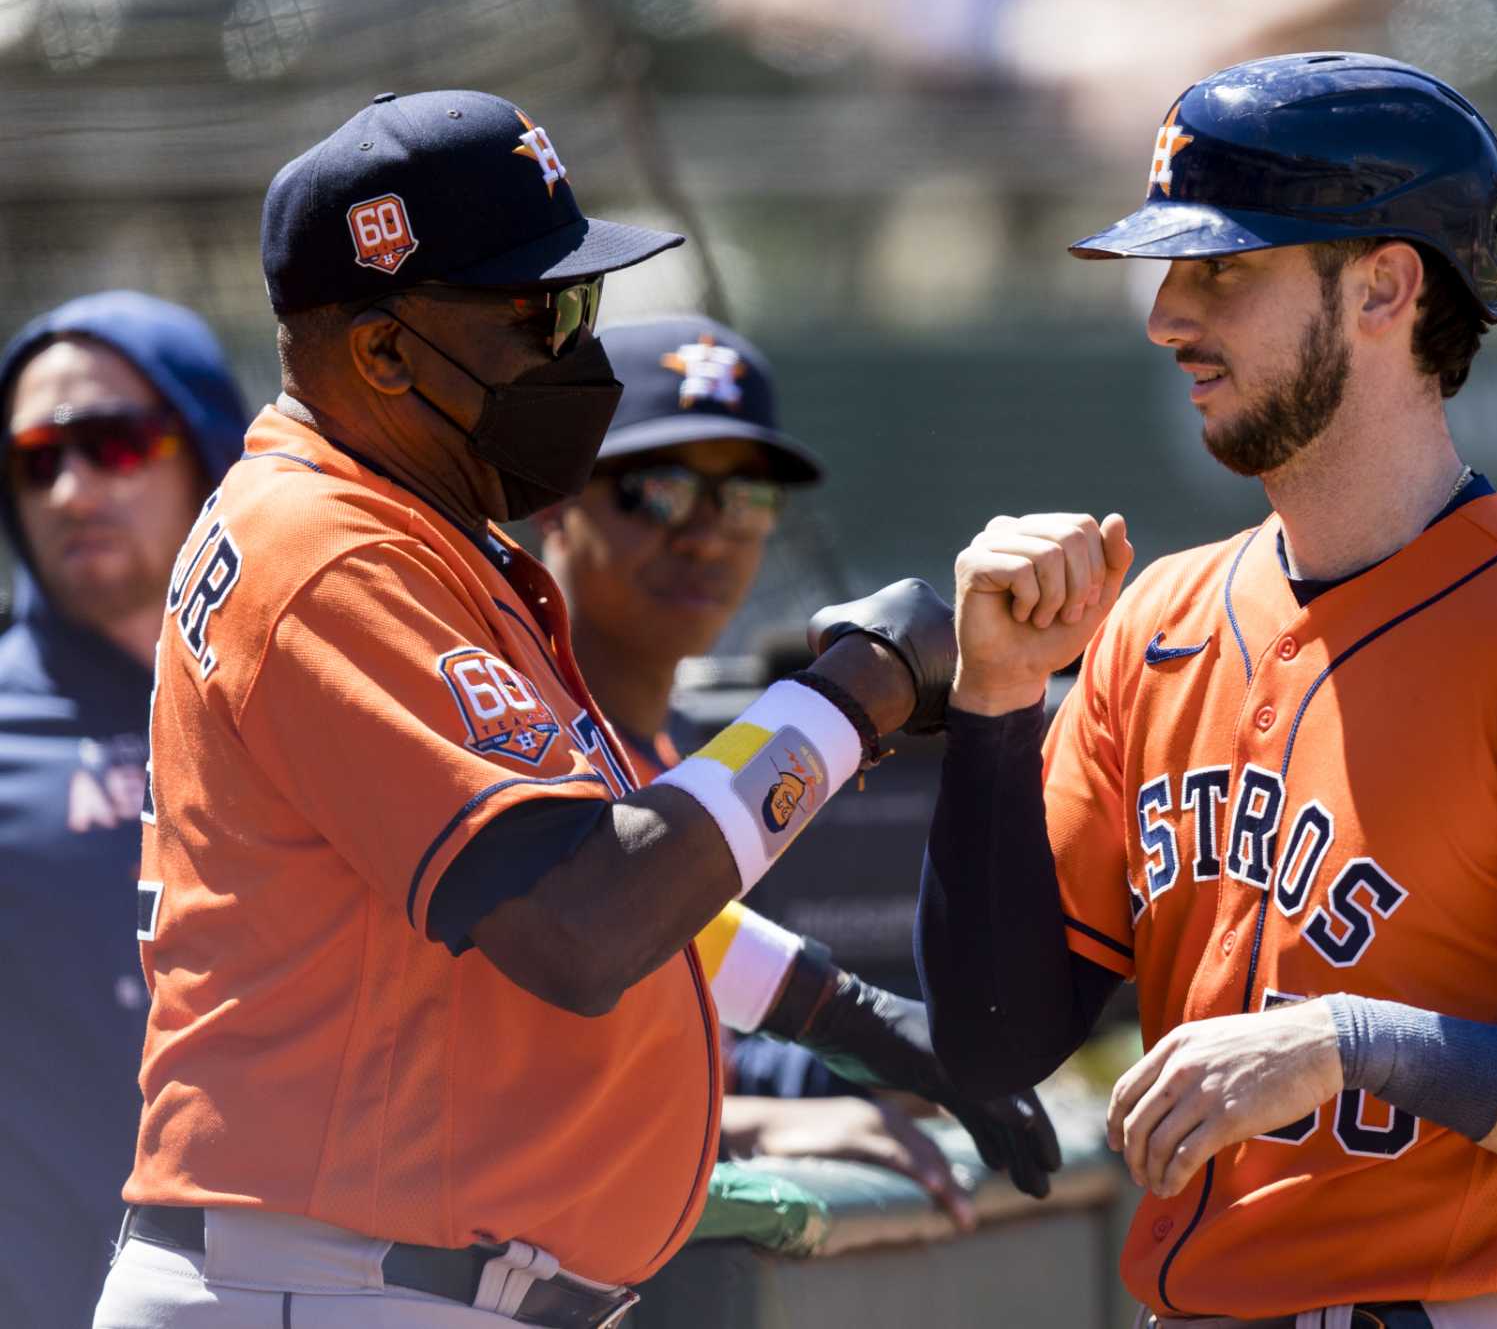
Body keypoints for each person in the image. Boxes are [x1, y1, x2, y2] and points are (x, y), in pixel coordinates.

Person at [94, 90, 997, 1328]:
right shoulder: (331, 553)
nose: (583, 352)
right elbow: (582, 920)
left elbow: (567, 864)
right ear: (385, 352)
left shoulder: (399, 533)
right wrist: (855, 694)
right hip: (330, 1282)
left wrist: (842, 1014)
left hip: (368, 1276)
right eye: (544, 314)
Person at [915, 54, 1497, 1328]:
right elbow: (988, 1041)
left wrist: (1356, 1044)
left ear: (1383, 285)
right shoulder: (1154, 619)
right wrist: (992, 703)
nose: (1165, 316)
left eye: (1222, 268)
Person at [536, 314, 1057, 1238]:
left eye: (744, 500)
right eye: (660, 490)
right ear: (553, 494)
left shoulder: (683, 767)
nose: (707, 536)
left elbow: (679, 969)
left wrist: (845, 1047)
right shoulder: (504, 737)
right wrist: (747, 1123)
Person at [0, 291, 247, 1327]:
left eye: (114, 442)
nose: (71, 488)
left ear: (205, 450)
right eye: (35, 459)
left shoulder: (313, 696)